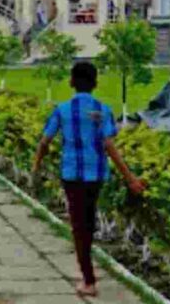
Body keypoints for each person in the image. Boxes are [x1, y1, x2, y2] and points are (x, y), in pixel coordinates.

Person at [32, 62, 147, 297]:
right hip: (96, 175)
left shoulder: (62, 110)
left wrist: (36, 165)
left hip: (72, 175)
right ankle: (87, 268)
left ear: (72, 81)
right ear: (95, 83)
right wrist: (130, 179)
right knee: (87, 219)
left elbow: (45, 142)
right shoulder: (103, 110)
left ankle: (89, 280)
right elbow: (109, 145)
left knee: (79, 227)